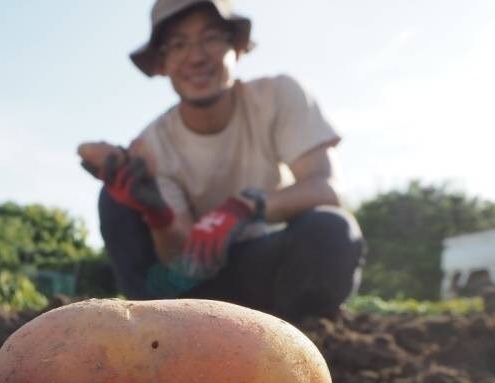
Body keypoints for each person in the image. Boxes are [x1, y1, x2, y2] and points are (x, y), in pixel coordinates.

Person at [82, 0, 364, 322]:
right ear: (163, 63)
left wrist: (245, 206)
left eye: (211, 38)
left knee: (331, 228)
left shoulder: (278, 96)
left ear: (236, 47)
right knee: (116, 202)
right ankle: (154, 328)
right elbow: (180, 261)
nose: (197, 56)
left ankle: (305, 337)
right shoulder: (152, 146)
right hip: (192, 286)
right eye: (178, 44)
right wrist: (157, 213)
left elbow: (326, 187)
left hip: (264, 270)